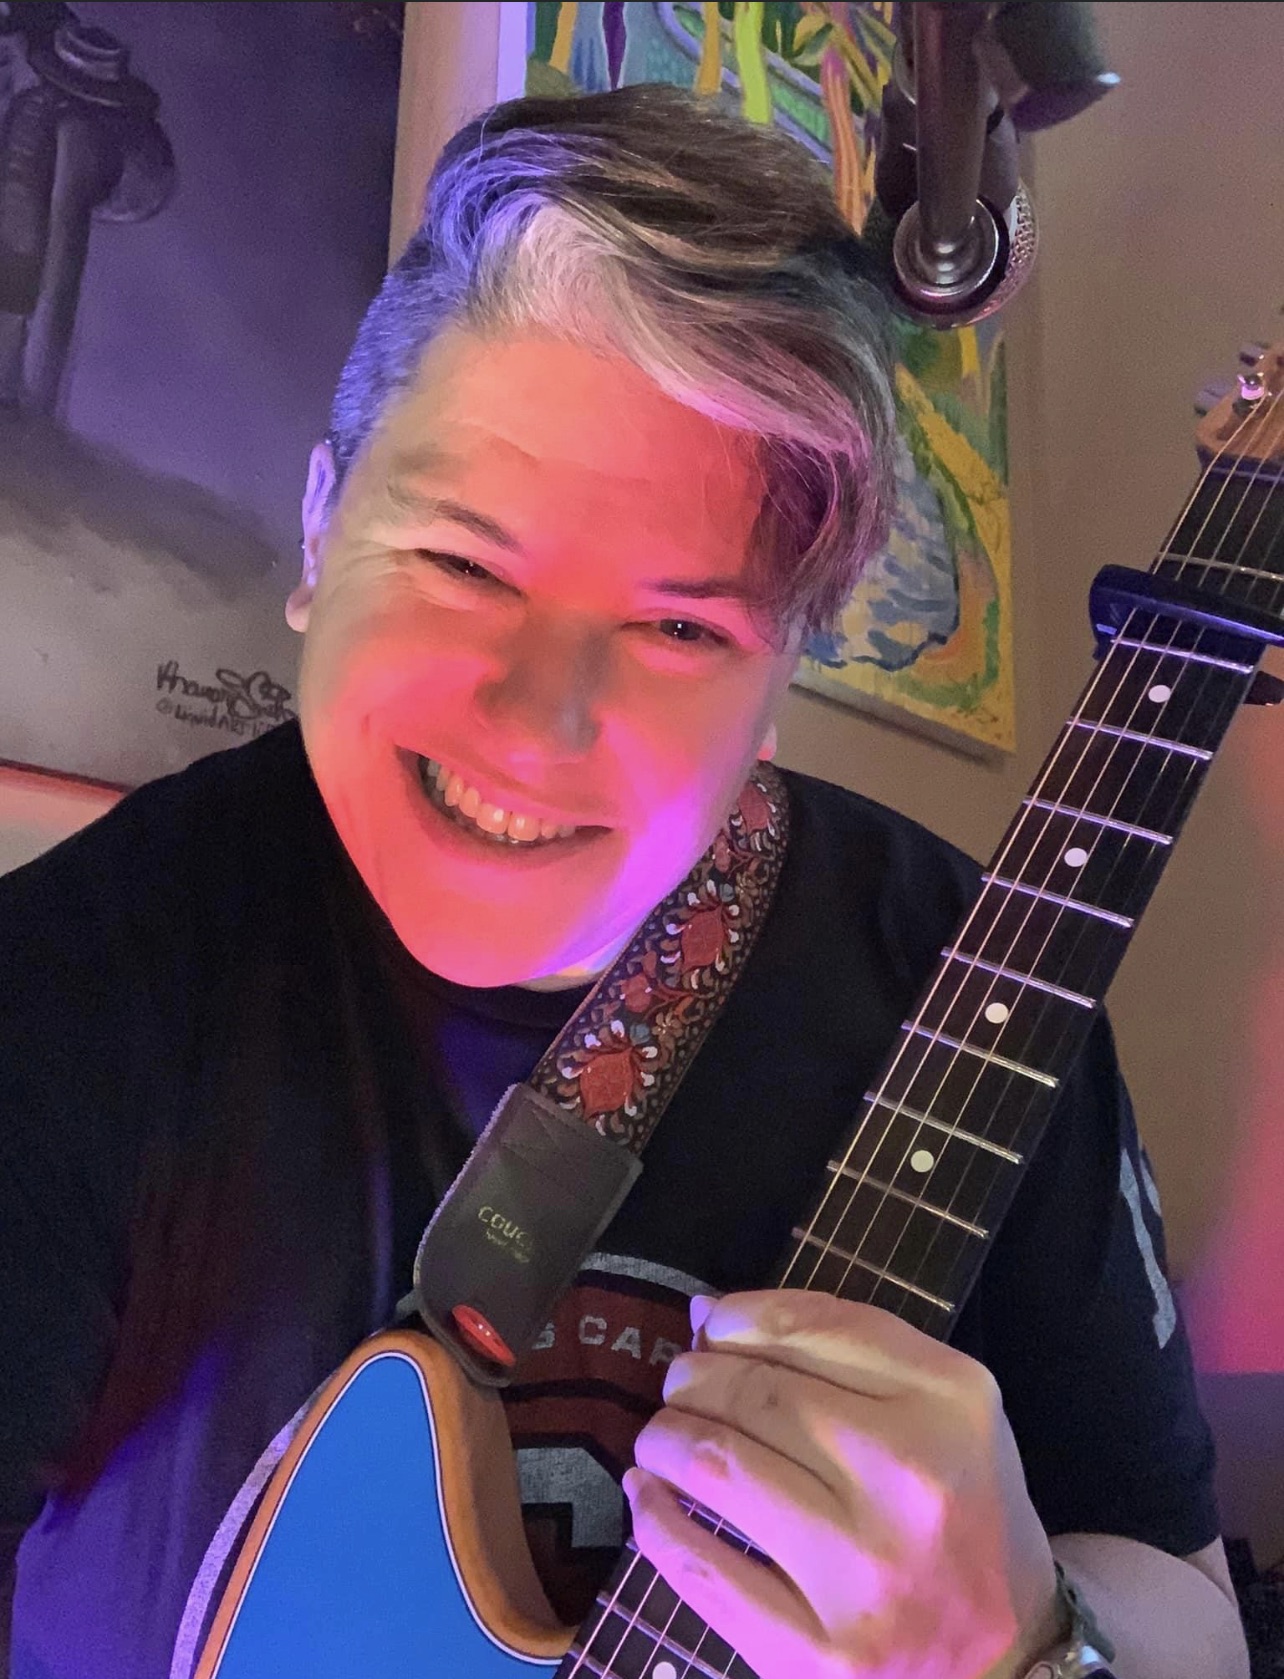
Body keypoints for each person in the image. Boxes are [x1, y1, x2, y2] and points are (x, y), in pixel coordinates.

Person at [0, 84, 1249, 1679]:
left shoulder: (981, 974)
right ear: (319, 531)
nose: (540, 720)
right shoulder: (77, 982)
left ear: (786, 669)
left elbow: (1194, 1609)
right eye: (463, 562)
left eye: (679, 627)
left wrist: (1028, 1643)